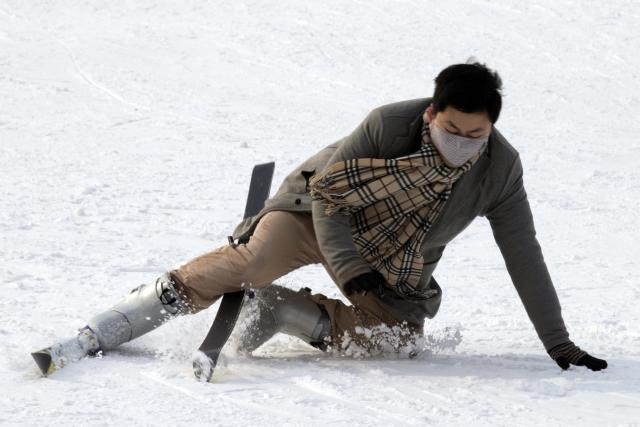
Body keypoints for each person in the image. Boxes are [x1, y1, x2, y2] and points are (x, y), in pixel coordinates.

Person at [36, 62, 607, 374]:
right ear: (432, 113)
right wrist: (350, 268)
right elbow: (331, 195)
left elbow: (524, 254)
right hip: (315, 215)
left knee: (397, 344)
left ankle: (281, 309)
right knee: (252, 260)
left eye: (475, 136)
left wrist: (559, 344)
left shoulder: (500, 172)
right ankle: (102, 330)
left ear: (492, 129)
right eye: (451, 130)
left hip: (397, 257)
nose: (461, 143)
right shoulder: (388, 124)